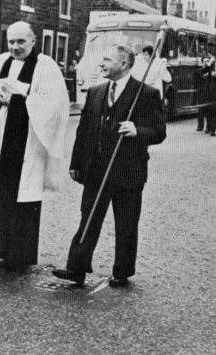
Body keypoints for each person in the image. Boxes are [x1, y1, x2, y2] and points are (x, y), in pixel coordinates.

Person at [52, 45, 166, 287]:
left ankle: (122, 271)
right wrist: (76, 163)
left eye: (106, 59)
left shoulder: (146, 94)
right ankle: (76, 268)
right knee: (88, 219)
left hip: (129, 171)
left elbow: (159, 132)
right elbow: (83, 132)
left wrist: (138, 130)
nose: (101, 64)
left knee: (126, 223)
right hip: (96, 170)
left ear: (123, 64)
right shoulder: (95, 92)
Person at [0, 21, 69, 270]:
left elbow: (54, 106)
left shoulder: (46, 67)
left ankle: (17, 255)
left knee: (21, 195)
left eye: (21, 41)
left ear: (33, 41)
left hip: (26, 146)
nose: (15, 46)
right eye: (11, 41)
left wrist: (19, 100)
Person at [196, 57, 215, 136]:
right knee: (201, 110)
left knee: (210, 112)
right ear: (202, 62)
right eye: (205, 61)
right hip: (202, 93)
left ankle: (209, 128)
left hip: (209, 94)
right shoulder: (199, 71)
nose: (206, 62)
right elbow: (197, 81)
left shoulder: (210, 70)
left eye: (208, 61)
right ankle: (201, 126)